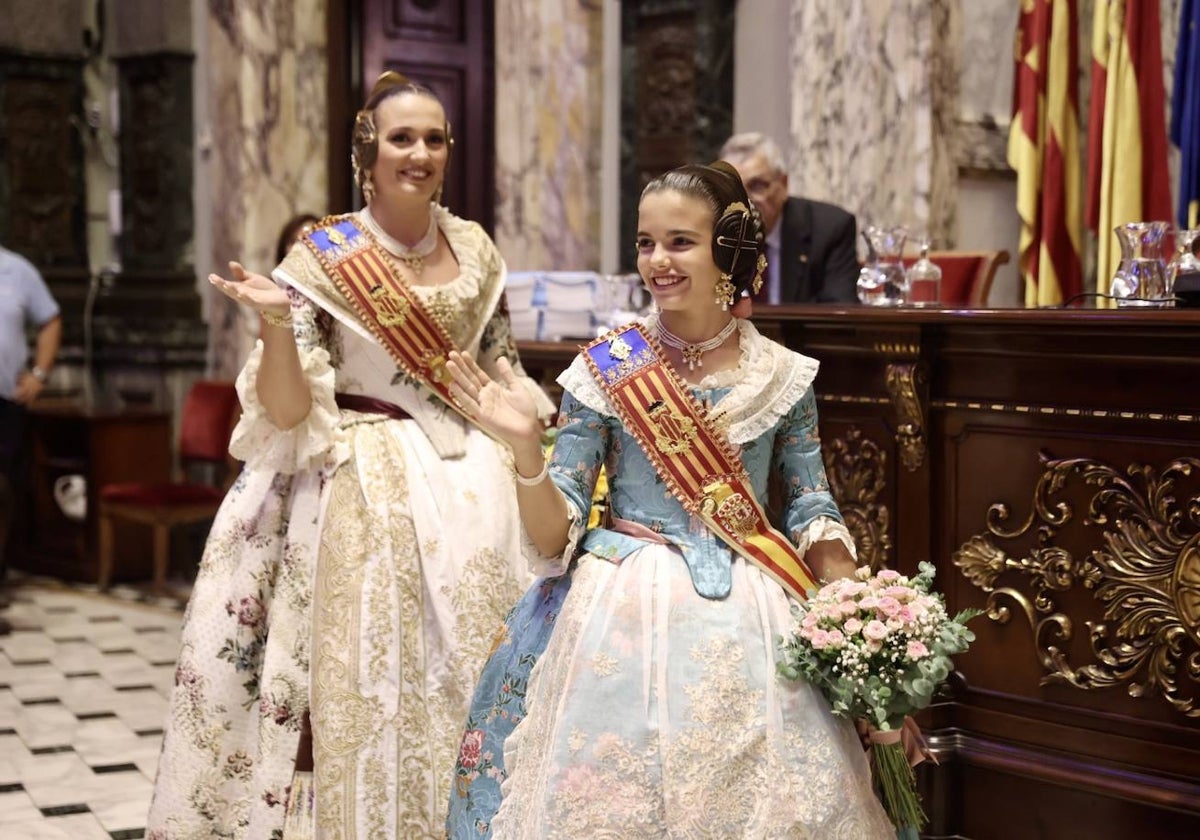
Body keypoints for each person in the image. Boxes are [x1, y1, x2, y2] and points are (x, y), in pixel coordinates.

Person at [145, 72, 553, 839]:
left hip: (481, 486)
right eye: (403, 137)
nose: (421, 153)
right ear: (368, 147)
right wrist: (272, 327)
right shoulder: (325, 255)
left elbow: (504, 370)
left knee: (484, 680)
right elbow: (292, 411)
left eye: (435, 138)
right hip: (366, 485)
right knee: (380, 687)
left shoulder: (474, 247)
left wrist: (530, 443)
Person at [444, 161, 895, 838]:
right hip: (618, 610)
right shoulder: (605, 369)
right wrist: (526, 454)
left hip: (755, 608)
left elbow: (810, 510)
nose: (658, 260)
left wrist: (862, 623)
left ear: (730, 250)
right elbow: (549, 539)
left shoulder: (781, 375)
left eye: (680, 241)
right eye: (645, 242)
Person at [720, 131, 859, 304]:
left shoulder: (830, 229)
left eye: (757, 186)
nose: (744, 200)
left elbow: (839, 315)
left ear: (783, 185)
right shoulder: (713, 234)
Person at [0, 244, 61, 637]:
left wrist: (39, 373)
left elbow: (50, 319)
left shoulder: (16, 270)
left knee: (1, 492)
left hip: (4, 403)